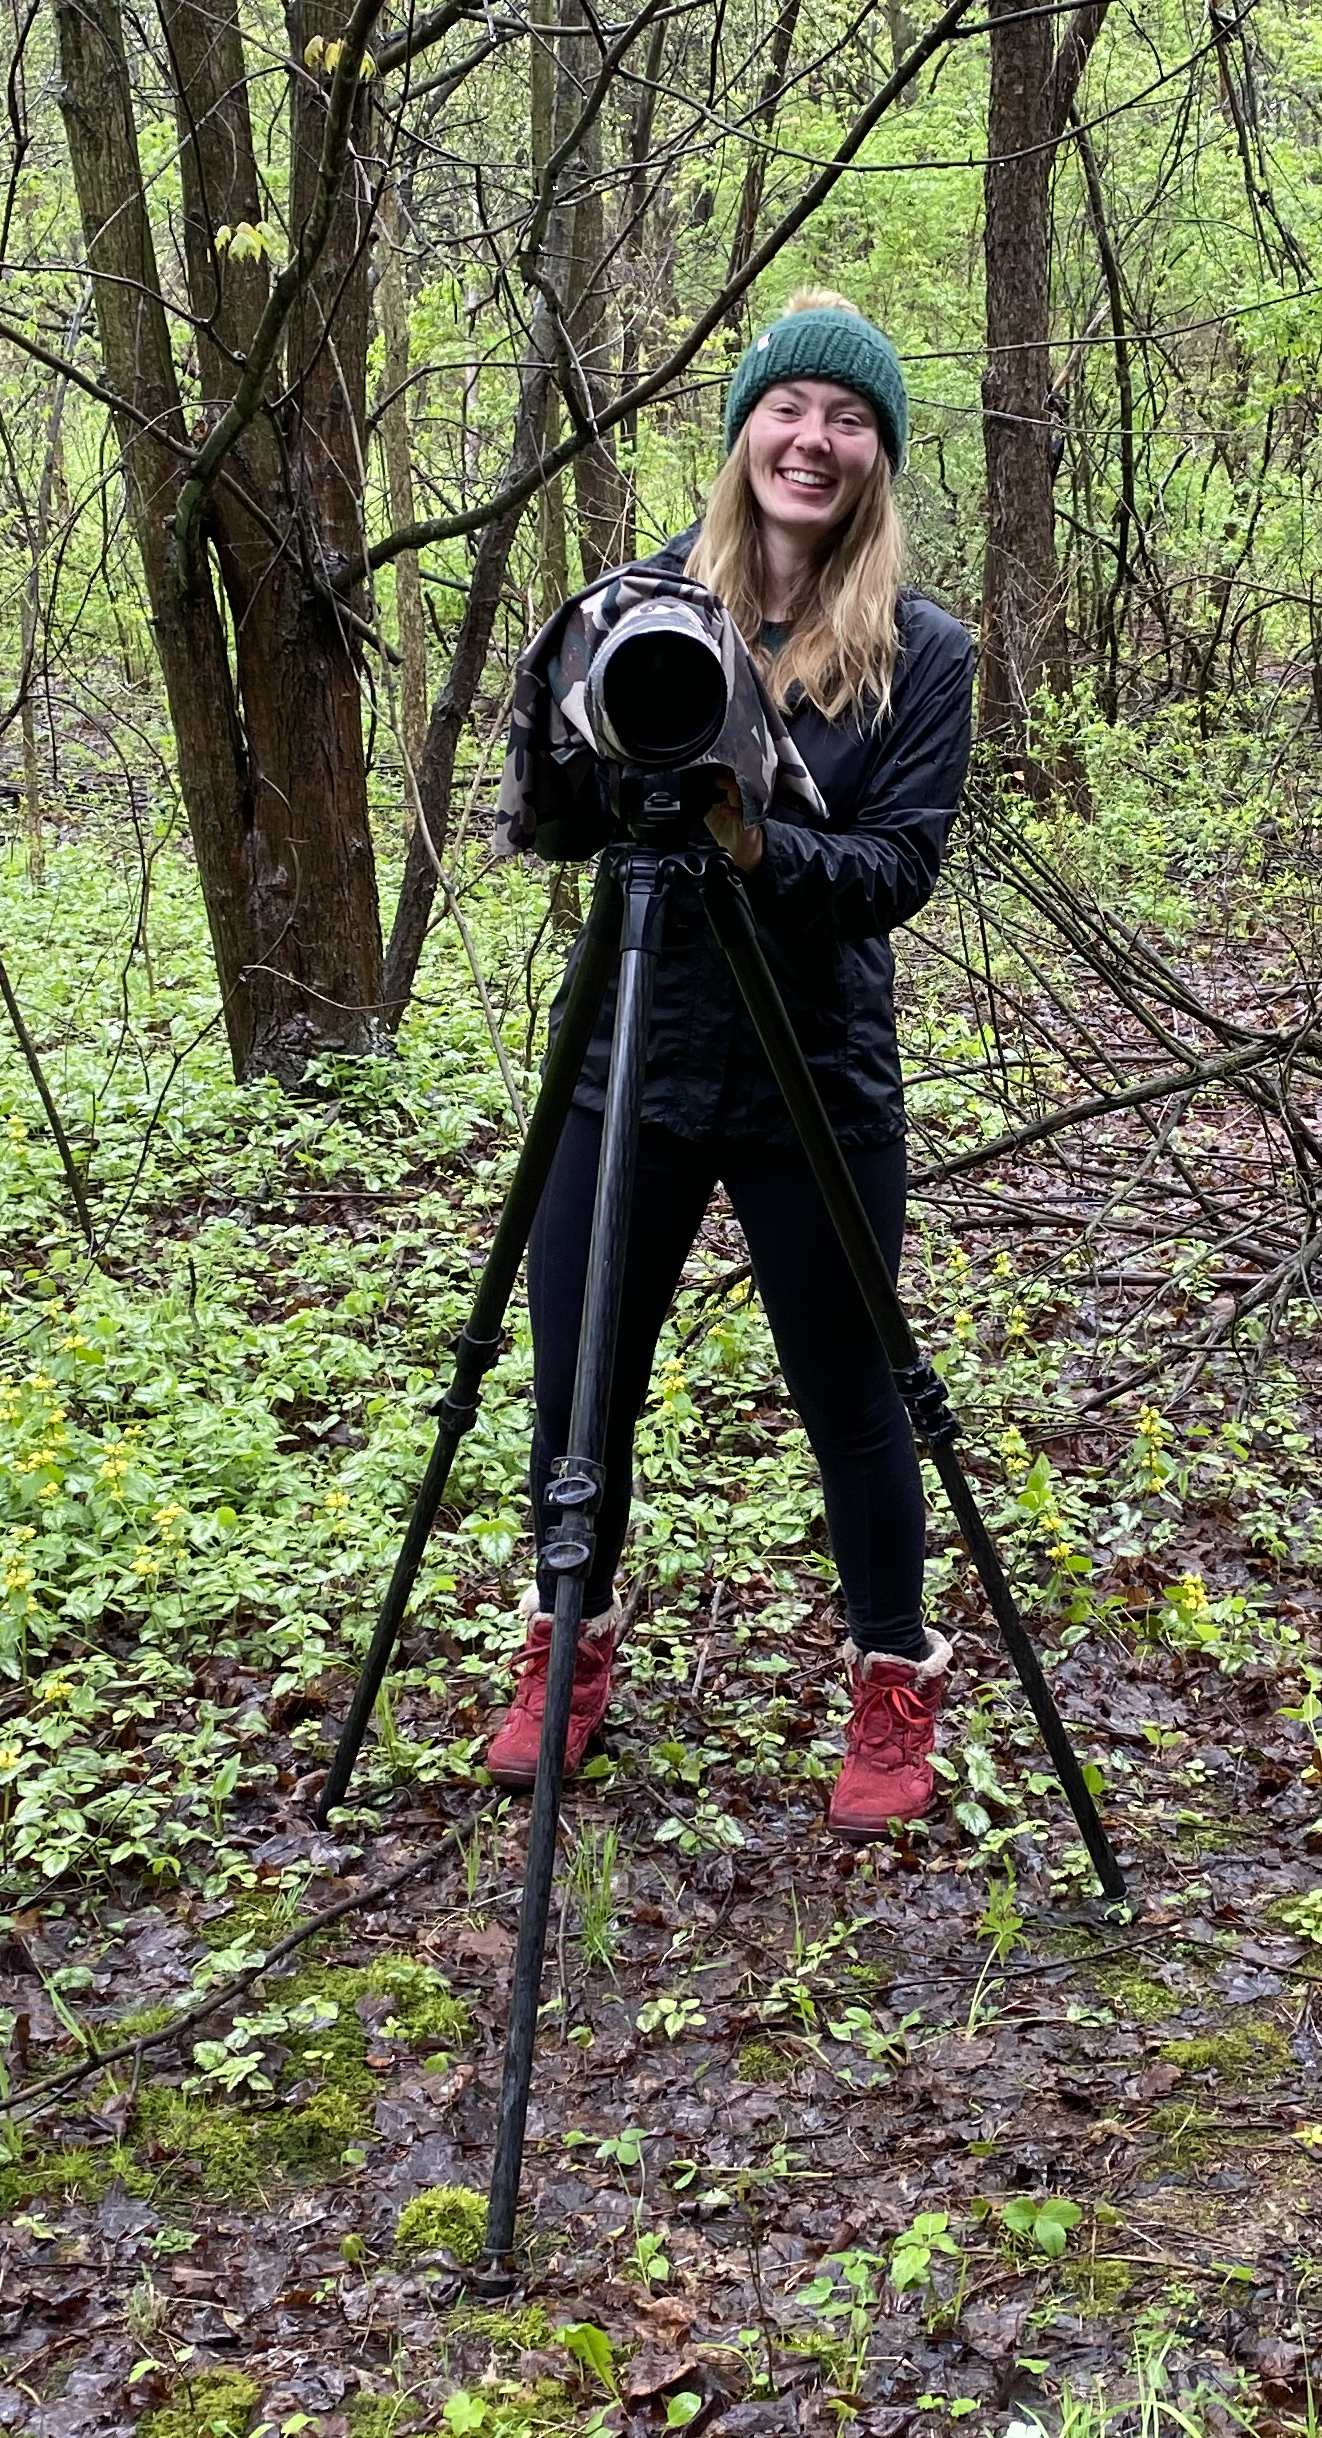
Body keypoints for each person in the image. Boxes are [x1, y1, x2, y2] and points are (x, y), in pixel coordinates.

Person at [483, 291, 975, 1837]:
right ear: (743, 429)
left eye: (848, 421)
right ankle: (568, 1646)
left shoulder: (923, 653)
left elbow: (895, 872)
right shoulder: (635, 608)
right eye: (790, 410)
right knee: (579, 1388)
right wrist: (562, 727)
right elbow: (555, 829)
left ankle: (895, 1674)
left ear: (878, 461)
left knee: (852, 1392)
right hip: (630, 1048)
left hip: (813, 1073)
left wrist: (752, 835)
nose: (812, 441)